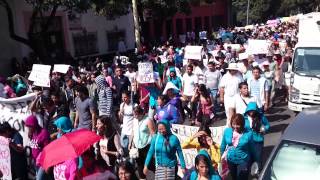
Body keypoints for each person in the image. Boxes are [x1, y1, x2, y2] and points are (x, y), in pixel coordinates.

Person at [220, 114, 257, 180]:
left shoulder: (248, 134)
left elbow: (253, 148)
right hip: (230, 160)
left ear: (242, 124)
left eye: (238, 124)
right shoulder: (227, 131)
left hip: (243, 161)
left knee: (242, 178)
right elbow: (223, 145)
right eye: (234, 124)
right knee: (234, 178)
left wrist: (255, 160)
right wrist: (221, 156)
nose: (235, 126)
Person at [131, 106, 155, 179]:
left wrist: (154, 146)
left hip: (146, 146)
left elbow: (153, 134)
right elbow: (133, 131)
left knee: (150, 164)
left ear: (141, 113)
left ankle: (160, 174)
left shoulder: (148, 120)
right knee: (139, 165)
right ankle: (142, 178)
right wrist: (130, 142)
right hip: (137, 146)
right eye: (133, 115)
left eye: (136, 115)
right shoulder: (134, 120)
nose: (134, 116)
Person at [244, 102, 270, 169]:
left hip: (258, 140)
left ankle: (259, 172)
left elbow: (267, 125)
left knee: (258, 158)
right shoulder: (244, 118)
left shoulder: (261, 117)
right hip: (248, 141)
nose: (251, 112)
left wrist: (264, 129)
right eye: (250, 110)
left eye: (253, 110)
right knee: (248, 158)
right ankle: (250, 171)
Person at [24, 115, 50, 180]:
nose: (28, 128)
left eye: (29, 126)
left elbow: (48, 150)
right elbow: (32, 148)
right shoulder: (32, 133)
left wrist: (47, 165)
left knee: (39, 178)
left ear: (34, 125)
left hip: (42, 162)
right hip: (35, 162)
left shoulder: (44, 133)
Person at [119, 91, 137, 156]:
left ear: (129, 97)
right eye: (122, 97)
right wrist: (120, 113)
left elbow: (137, 117)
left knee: (131, 148)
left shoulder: (134, 105)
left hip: (131, 130)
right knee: (123, 146)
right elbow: (120, 119)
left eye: (125, 97)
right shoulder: (122, 105)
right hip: (124, 129)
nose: (124, 99)